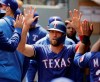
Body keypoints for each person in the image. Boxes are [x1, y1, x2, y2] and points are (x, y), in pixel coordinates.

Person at [17, 7, 93, 82]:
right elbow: (21, 48)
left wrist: (79, 30)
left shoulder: (70, 49)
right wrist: (26, 27)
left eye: (57, 32)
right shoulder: (40, 49)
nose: (54, 35)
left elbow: (85, 45)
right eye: (52, 32)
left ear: (64, 35)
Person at [0, 0, 24, 82]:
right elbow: (27, 60)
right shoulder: (24, 31)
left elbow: (10, 46)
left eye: (1, 5)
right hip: (16, 76)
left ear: (8, 8)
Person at [25, 11, 48, 82]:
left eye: (33, 23)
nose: (31, 25)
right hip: (25, 59)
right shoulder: (23, 29)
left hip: (37, 60)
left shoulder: (42, 32)